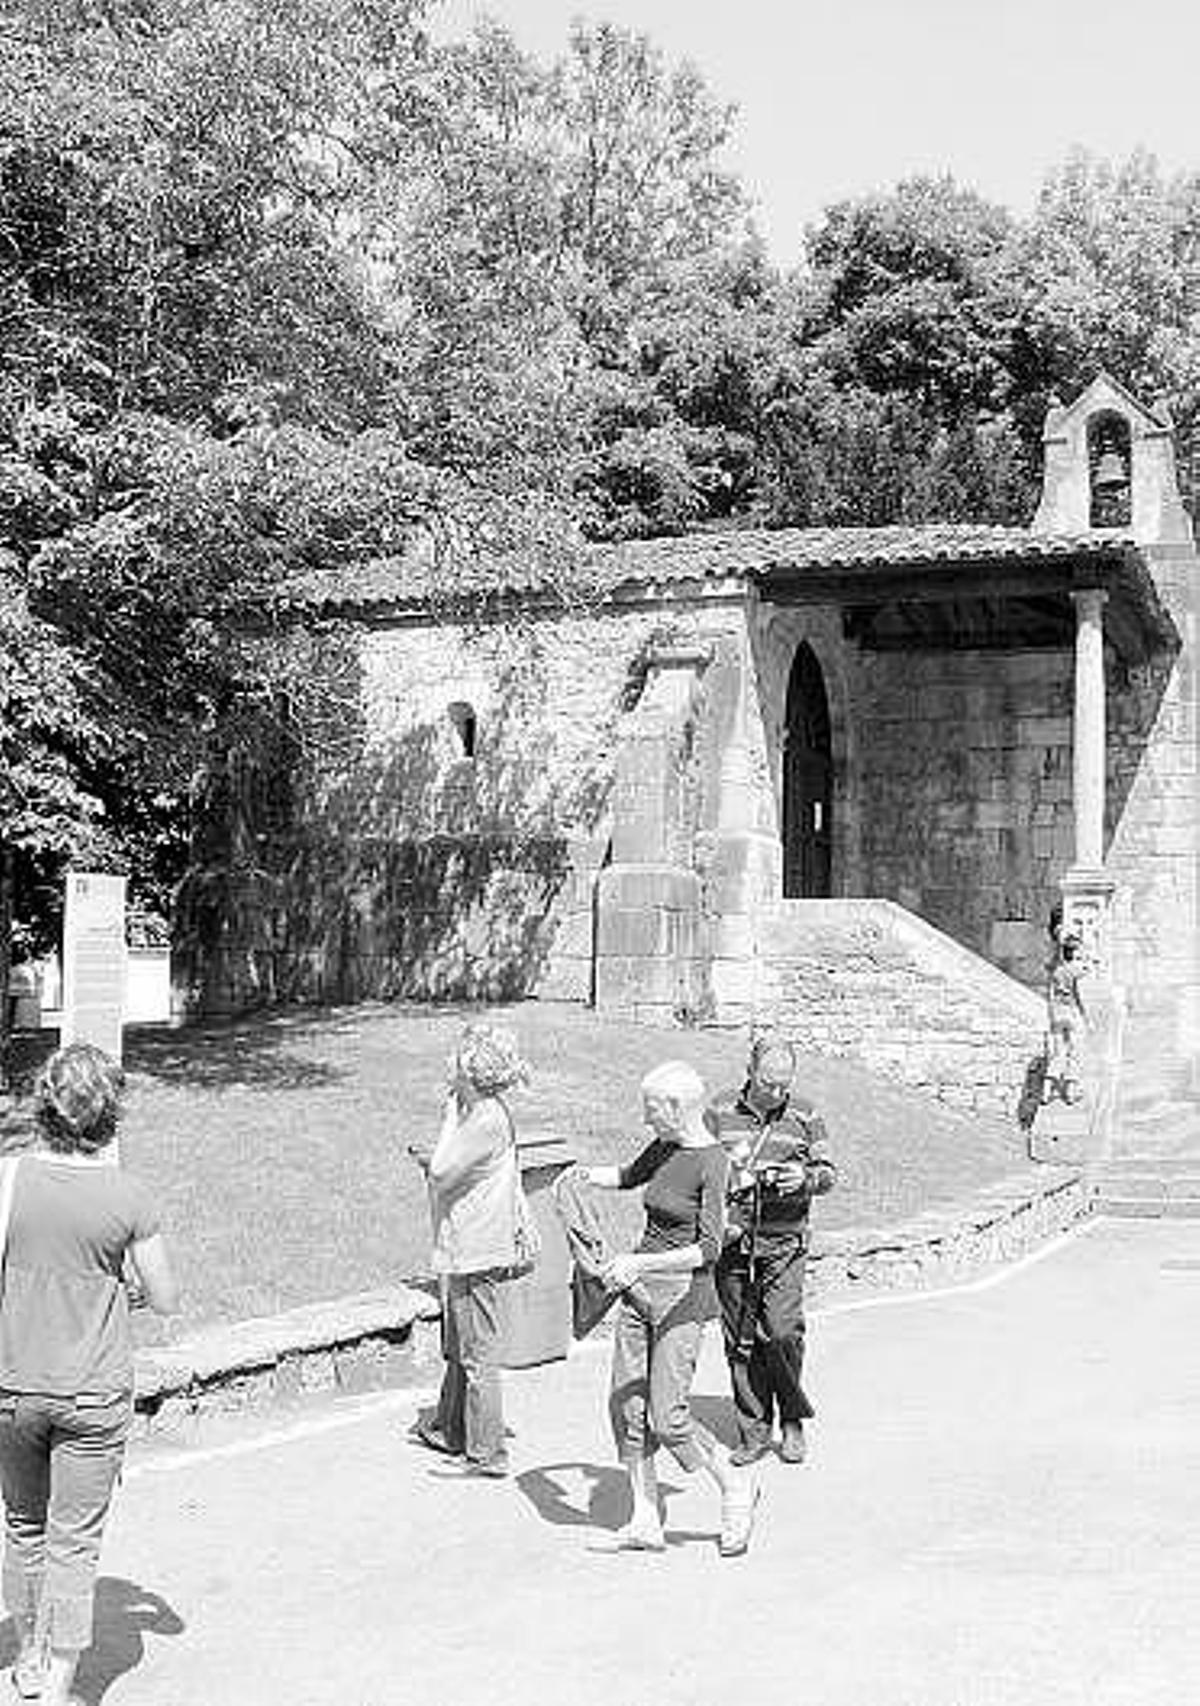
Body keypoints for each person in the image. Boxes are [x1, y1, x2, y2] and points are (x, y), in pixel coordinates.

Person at [0, 1043, 179, 1706]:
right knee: (74, 1541)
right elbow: (163, 1297)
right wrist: (115, 1284)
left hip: (14, 1383)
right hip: (94, 1391)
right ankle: (60, 1689)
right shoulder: (128, 1196)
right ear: (111, 1114)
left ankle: (25, 1658)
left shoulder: (8, 1179)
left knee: (22, 1525)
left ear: (43, 1105)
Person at [579, 1060, 759, 1558]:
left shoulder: (712, 1162)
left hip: (683, 1295)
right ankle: (644, 1520)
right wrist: (581, 1177)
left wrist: (641, 1262)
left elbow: (709, 1249)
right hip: (639, 1293)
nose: (645, 1119)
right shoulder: (664, 1149)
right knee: (626, 1406)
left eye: (651, 1109)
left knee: (669, 1417)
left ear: (677, 1108)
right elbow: (628, 1176)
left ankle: (734, 1483)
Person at [408, 1022, 534, 1480]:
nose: (450, 1068)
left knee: (478, 1353)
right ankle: (452, 1429)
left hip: (478, 1248)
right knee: (464, 1346)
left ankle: (486, 1454)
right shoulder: (483, 1114)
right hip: (472, 1244)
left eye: (457, 1062)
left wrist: (446, 1118)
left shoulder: (482, 1119)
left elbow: (442, 1172)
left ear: (470, 1070)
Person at [709, 1035, 836, 1468]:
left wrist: (805, 1177)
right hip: (733, 1242)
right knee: (740, 1341)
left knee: (781, 1333)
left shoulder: (806, 1113)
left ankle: (793, 1419)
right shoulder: (720, 1110)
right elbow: (698, 1165)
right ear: (750, 1070)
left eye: (785, 1084)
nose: (778, 1093)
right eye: (769, 1083)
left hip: (785, 1241)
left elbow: (829, 1173)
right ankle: (754, 1429)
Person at [1043, 915, 1090, 1105]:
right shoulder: (1077, 971)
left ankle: (1047, 1090)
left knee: (1057, 1052)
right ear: (1075, 952)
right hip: (1072, 1013)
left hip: (1056, 1014)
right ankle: (1070, 1091)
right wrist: (1087, 1017)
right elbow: (1079, 995)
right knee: (1075, 1050)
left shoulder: (1056, 970)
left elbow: (1050, 990)